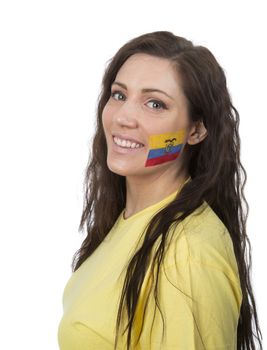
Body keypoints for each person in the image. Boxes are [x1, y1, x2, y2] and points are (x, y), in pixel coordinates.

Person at [57, 31, 263, 349]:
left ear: (196, 130)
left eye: (155, 104)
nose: (123, 117)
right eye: (119, 95)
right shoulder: (126, 220)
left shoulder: (188, 254)